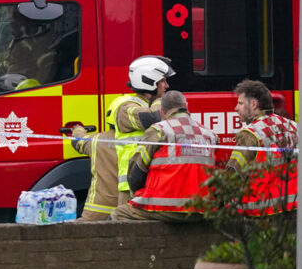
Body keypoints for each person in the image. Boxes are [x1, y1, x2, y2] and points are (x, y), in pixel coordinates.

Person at [110, 90, 217, 222]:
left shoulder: (158, 130)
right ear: (187, 106)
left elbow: (136, 172)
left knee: (119, 214)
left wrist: (137, 194)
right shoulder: (209, 134)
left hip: (166, 206)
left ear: (161, 112)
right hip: (204, 209)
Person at [107, 55, 173, 205]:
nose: (167, 86)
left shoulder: (150, 105)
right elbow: (153, 118)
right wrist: (161, 101)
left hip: (153, 182)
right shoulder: (126, 107)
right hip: (132, 187)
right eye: (163, 81)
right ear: (149, 81)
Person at [227, 79, 297, 215]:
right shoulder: (294, 127)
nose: (236, 108)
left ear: (254, 104)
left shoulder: (251, 133)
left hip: (266, 211)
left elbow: (233, 173)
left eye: (240, 103)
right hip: (295, 207)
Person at [70, 120, 117, 221]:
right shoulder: (144, 139)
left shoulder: (97, 140)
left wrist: (78, 130)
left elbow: (78, 141)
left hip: (99, 207)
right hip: (131, 205)